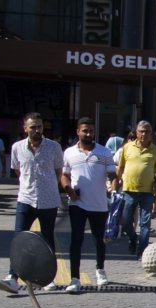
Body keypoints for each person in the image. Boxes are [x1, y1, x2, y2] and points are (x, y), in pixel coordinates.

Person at [0, 112, 65, 293]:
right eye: (33, 127)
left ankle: (48, 278)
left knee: (48, 239)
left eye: (39, 126)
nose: (37, 130)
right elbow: (19, 172)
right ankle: (12, 277)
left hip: (48, 200)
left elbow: (58, 171)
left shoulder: (54, 147)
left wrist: (49, 187)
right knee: (19, 238)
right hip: (25, 198)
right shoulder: (17, 147)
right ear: (25, 128)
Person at [61, 117, 117, 293]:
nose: (88, 134)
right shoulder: (69, 153)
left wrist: (113, 191)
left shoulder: (105, 152)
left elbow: (113, 176)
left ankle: (100, 270)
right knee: (76, 240)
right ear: (78, 131)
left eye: (91, 130)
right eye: (85, 130)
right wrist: (68, 189)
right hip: (77, 203)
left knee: (99, 240)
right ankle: (74, 278)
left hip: (99, 204)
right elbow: (64, 175)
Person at [111, 120, 156, 258]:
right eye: (141, 131)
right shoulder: (127, 148)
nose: (144, 134)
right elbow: (120, 167)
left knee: (145, 223)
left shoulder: (155, 150)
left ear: (151, 134)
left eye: (147, 131)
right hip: (129, 191)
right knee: (127, 222)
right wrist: (115, 183)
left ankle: (142, 251)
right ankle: (133, 238)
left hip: (147, 192)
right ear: (136, 132)